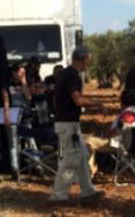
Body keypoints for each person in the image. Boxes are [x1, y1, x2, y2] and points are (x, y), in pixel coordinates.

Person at [49, 44, 102, 204]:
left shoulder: (64, 74)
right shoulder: (73, 76)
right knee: (71, 159)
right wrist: (97, 103)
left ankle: (88, 191)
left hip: (67, 123)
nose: (88, 64)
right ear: (82, 58)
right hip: (68, 124)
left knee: (81, 157)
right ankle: (58, 195)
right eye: (88, 60)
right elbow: (77, 99)